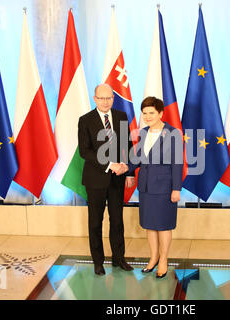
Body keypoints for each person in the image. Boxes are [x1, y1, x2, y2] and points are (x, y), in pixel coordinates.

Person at [118, 96, 183, 278]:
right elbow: (138, 157)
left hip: (164, 187)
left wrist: (176, 188)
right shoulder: (144, 132)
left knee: (163, 225)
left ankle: (163, 259)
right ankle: (153, 258)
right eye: (144, 113)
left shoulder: (173, 133)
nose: (147, 116)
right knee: (150, 225)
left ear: (161, 113)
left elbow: (177, 163)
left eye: (151, 113)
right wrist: (126, 169)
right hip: (146, 187)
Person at [78, 83, 135, 275]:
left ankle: (119, 259)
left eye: (109, 98)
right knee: (95, 221)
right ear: (95, 99)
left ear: (113, 98)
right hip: (95, 180)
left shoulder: (121, 116)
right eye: (101, 98)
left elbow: (127, 145)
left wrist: (129, 172)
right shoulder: (85, 120)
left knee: (117, 220)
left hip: (118, 179)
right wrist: (110, 165)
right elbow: (85, 151)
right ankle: (98, 261)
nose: (105, 101)